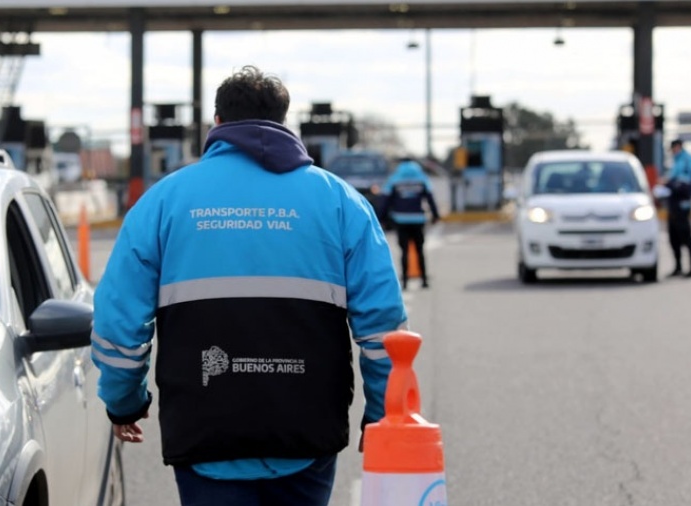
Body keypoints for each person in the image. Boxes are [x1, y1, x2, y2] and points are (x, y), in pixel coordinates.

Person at [91, 65, 406, 506]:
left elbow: (118, 321)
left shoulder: (164, 201)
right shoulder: (340, 202)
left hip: (205, 432)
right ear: (283, 122)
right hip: (307, 431)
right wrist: (381, 415)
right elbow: (384, 326)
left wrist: (124, 401)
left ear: (216, 123)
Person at [376, 157, 441, 289]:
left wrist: (380, 218)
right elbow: (430, 198)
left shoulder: (395, 178)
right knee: (420, 250)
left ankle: (405, 281)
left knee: (404, 251)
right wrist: (435, 215)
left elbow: (385, 200)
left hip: (401, 220)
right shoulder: (422, 178)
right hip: (418, 220)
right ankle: (424, 280)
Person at [661, 139, 691, 277]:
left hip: (682, 204)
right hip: (673, 204)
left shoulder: (688, 160)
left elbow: (685, 184)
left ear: (678, 147)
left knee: (686, 236)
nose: (672, 151)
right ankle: (678, 267)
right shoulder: (675, 161)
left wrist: (669, 184)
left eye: (673, 148)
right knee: (673, 237)